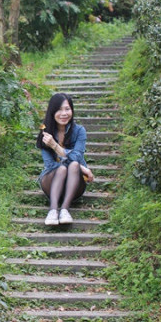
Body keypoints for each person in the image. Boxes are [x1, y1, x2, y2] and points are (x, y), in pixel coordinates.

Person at [35, 92, 94, 225]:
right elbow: (50, 165)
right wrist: (82, 167)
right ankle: (53, 210)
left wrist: (55, 146)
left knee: (73, 165)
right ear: (52, 111)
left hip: (75, 185)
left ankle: (65, 210)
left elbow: (76, 157)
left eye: (67, 109)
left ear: (72, 110)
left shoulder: (79, 131)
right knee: (62, 169)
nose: (64, 113)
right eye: (59, 109)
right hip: (51, 182)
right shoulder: (45, 133)